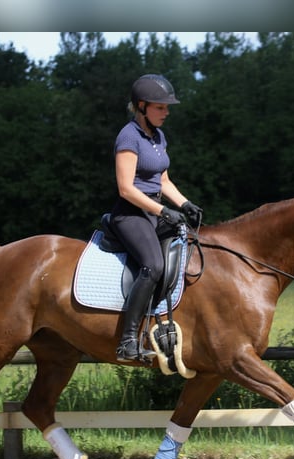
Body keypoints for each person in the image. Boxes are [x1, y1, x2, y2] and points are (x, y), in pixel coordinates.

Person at [110, 73, 203, 363]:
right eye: (161, 107)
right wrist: (163, 211)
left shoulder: (158, 136)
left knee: (193, 246)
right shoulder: (128, 137)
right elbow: (126, 189)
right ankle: (127, 342)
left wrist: (185, 203)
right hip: (131, 214)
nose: (167, 112)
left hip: (154, 211)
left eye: (166, 107)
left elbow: (162, 180)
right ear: (142, 106)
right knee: (152, 265)